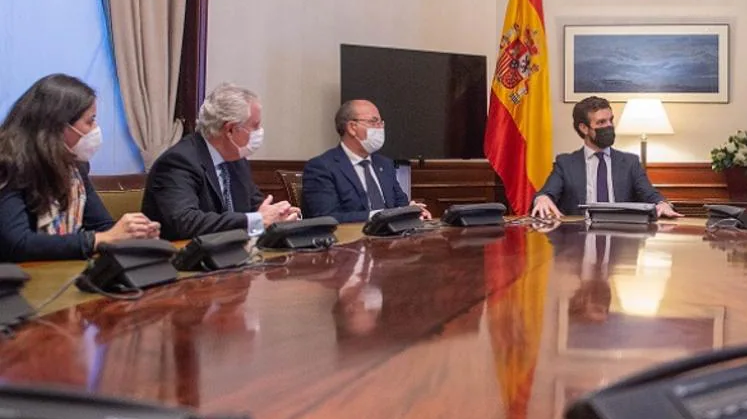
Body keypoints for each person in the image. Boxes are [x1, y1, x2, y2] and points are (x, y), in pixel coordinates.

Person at [0, 74, 159, 261]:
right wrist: (96, 240)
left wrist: (132, 235)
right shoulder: (8, 164)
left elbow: (102, 226)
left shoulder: (75, 167)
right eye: (90, 121)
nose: (96, 129)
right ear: (58, 125)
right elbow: (18, 244)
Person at [143, 83, 298, 240]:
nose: (259, 132)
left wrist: (280, 215)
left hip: (231, 255)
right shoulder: (178, 162)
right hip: (182, 258)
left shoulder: (237, 160)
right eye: (255, 126)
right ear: (230, 129)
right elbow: (185, 222)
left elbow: (256, 206)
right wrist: (256, 220)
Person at [531, 96, 682, 220]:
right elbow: (548, 192)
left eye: (611, 120)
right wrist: (543, 198)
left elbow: (650, 194)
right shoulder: (565, 163)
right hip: (577, 241)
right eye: (601, 122)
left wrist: (661, 203)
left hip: (622, 240)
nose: (609, 126)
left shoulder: (630, 162)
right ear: (584, 128)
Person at [302, 100, 431, 223]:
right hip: (348, 243)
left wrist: (412, 212)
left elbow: (400, 205)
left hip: (392, 240)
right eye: (374, 122)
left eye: (381, 123)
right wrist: (380, 216)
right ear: (352, 127)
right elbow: (327, 217)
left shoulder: (385, 164)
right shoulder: (322, 167)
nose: (380, 128)